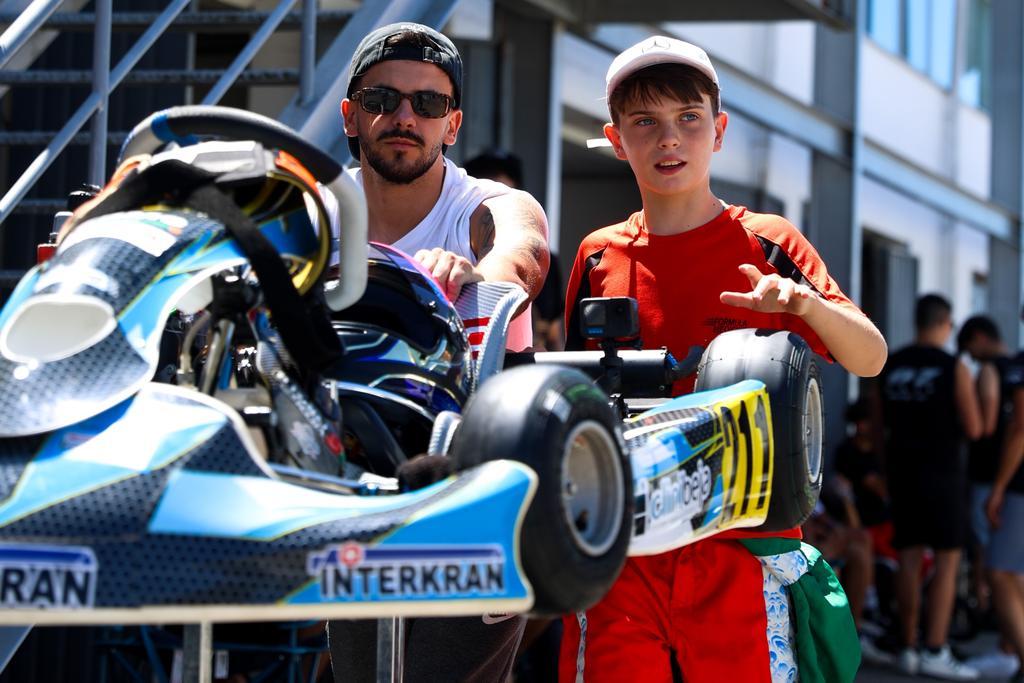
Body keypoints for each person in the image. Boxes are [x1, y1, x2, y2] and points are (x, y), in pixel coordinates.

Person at [558, 35, 887, 683]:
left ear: (720, 129)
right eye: (645, 123)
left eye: (689, 118)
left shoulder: (769, 242)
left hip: (745, 547)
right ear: (616, 138)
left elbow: (869, 356)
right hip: (627, 547)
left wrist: (805, 307)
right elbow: (575, 390)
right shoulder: (598, 253)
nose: (669, 139)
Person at [328, 22, 550, 683]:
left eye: (427, 104)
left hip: (476, 476)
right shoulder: (315, 209)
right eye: (382, 99)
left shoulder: (485, 205)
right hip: (352, 480)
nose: (404, 117)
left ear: (452, 125)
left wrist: (477, 273)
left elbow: (524, 253)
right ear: (349, 115)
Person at [882, 294, 983, 680]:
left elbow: (878, 425)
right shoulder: (952, 365)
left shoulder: (892, 363)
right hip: (943, 474)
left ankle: (908, 647)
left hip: (902, 471)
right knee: (947, 559)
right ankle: (936, 649)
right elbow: (974, 427)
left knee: (908, 557)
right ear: (946, 323)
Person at [957, 316, 1023, 678]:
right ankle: (1010, 649)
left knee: (998, 568)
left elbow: (1000, 425)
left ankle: (1010, 650)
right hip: (1007, 482)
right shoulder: (1011, 365)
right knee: (1011, 570)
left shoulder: (999, 369)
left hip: (1005, 481)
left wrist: (997, 487)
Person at [464, 148, 566, 350]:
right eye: (482, 181)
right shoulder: (452, 236)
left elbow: (553, 330)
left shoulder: (544, 258)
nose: (490, 190)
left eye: (500, 183)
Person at [981, 311, 1024, 683]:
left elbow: (1022, 428)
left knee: (999, 571)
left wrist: (997, 489)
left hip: (1020, 487)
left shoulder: (1019, 366)